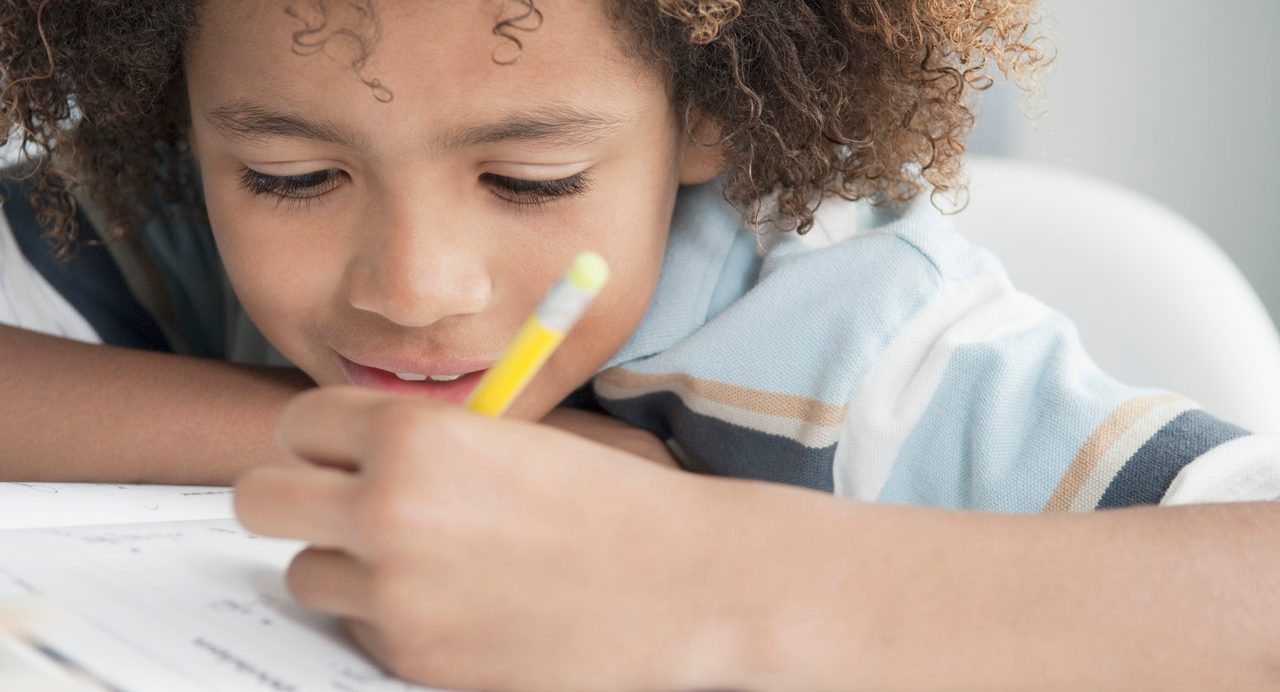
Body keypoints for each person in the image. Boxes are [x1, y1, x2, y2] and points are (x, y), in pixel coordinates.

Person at [1, 0, 1278, 689]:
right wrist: (399, 450)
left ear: (707, 121)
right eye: (289, 176)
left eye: (534, 178)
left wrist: (698, 574)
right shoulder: (155, 203)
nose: (411, 288)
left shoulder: (846, 341)